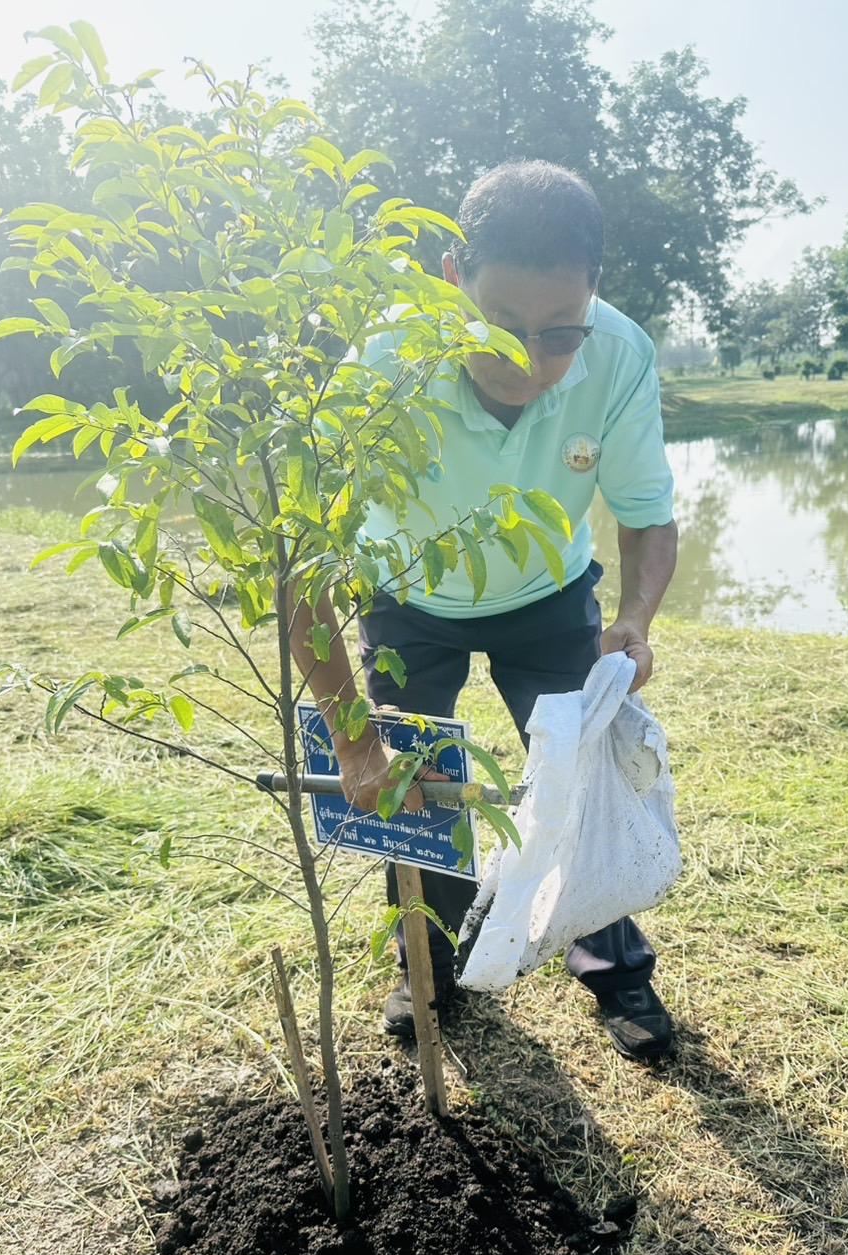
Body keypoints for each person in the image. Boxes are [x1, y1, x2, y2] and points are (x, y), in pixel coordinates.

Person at [292, 160, 678, 1062]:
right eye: (498, 325)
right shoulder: (381, 367)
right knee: (411, 785)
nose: (526, 361)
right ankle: (427, 960)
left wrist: (633, 620)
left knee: (581, 774)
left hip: (548, 593)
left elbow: (648, 514)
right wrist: (354, 740)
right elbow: (305, 570)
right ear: (449, 281)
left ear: (593, 296)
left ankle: (613, 966)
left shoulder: (618, 354)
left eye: (558, 335)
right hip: (408, 594)